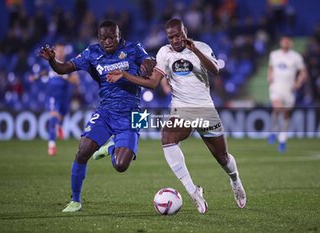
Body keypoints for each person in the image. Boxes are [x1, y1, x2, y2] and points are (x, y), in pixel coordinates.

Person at [105, 18, 247, 213]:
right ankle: (193, 191)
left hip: (205, 109)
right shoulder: (164, 53)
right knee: (167, 138)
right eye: (171, 37)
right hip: (181, 109)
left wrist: (195, 50)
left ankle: (235, 180)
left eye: (178, 35)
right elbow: (153, 83)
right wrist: (125, 75)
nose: (175, 40)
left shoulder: (202, 47)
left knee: (222, 158)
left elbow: (215, 71)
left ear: (185, 32)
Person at [38, 20, 156, 212]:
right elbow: (63, 69)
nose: (108, 41)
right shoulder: (92, 53)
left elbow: (149, 62)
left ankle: (111, 148)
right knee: (82, 151)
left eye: (112, 37)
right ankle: (75, 200)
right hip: (106, 111)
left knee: (121, 166)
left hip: (134, 113)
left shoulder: (134, 48)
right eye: (103, 38)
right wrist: (52, 60)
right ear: (99, 38)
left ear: (119, 35)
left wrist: (148, 64)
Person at [30, 41, 79, 156]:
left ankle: (60, 126)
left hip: (64, 96)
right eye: (58, 50)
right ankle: (51, 145)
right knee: (53, 118)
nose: (60, 52)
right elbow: (44, 72)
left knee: (62, 115)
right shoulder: (50, 64)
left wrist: (64, 75)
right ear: (54, 51)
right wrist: (35, 77)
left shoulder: (69, 65)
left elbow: (76, 81)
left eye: (62, 50)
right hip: (53, 95)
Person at [267, 35, 307, 153]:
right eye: (284, 41)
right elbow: (270, 68)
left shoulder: (296, 57)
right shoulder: (274, 55)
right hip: (276, 87)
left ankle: (282, 140)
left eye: (288, 41)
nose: (285, 43)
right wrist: (269, 76)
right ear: (280, 42)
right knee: (277, 107)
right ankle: (273, 131)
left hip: (289, 89)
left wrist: (298, 83)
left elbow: (303, 72)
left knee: (286, 114)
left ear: (291, 43)